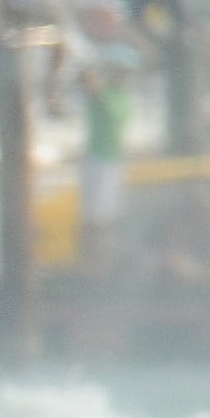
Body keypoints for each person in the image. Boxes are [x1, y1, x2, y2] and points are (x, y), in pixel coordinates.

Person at [78, 57, 132, 278]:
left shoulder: (123, 96)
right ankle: (89, 262)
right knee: (93, 215)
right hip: (97, 160)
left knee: (108, 215)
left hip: (113, 160)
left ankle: (103, 263)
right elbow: (92, 87)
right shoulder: (104, 92)